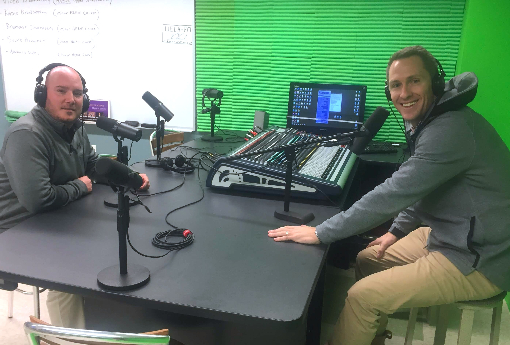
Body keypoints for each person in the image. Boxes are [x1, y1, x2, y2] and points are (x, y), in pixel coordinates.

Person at [268, 46, 510, 345]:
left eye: (414, 81)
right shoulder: (432, 118)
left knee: (362, 296)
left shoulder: (451, 129)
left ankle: (363, 318)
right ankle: (371, 335)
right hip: (453, 233)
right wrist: (397, 229)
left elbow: (394, 194)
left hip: (480, 256)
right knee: (368, 259)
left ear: (435, 83)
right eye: (396, 85)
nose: (404, 93)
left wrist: (320, 232)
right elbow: (422, 186)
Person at [0, 64, 150, 328]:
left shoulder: (75, 127)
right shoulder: (27, 135)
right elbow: (39, 200)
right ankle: (73, 336)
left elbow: (93, 167)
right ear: (42, 94)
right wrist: (82, 185)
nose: (71, 99)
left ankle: (110, 322)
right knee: (71, 273)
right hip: (21, 230)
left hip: (60, 216)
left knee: (111, 242)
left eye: (77, 93)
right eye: (61, 91)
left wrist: (128, 178)